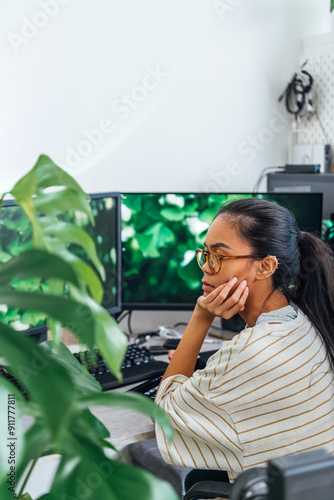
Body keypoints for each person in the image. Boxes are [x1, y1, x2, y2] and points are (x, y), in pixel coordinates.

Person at [154, 198, 334, 483]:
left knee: (140, 459)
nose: (206, 268)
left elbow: (163, 416)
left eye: (219, 257)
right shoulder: (303, 319)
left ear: (266, 266)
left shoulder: (251, 351)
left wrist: (201, 316)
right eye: (205, 254)